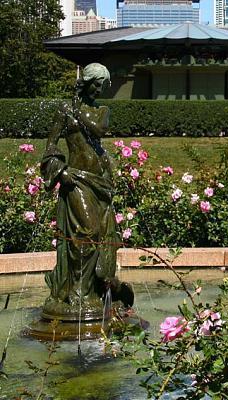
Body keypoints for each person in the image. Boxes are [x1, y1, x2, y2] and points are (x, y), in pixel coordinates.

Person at [41, 63, 132, 320]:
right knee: (88, 231)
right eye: (96, 84)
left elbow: (98, 129)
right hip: (77, 180)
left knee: (103, 234)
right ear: (87, 82)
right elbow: (50, 145)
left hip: (101, 181)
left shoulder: (101, 111)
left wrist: (77, 110)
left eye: (103, 85)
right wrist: (60, 170)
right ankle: (77, 292)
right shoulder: (64, 110)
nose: (100, 90)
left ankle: (97, 288)